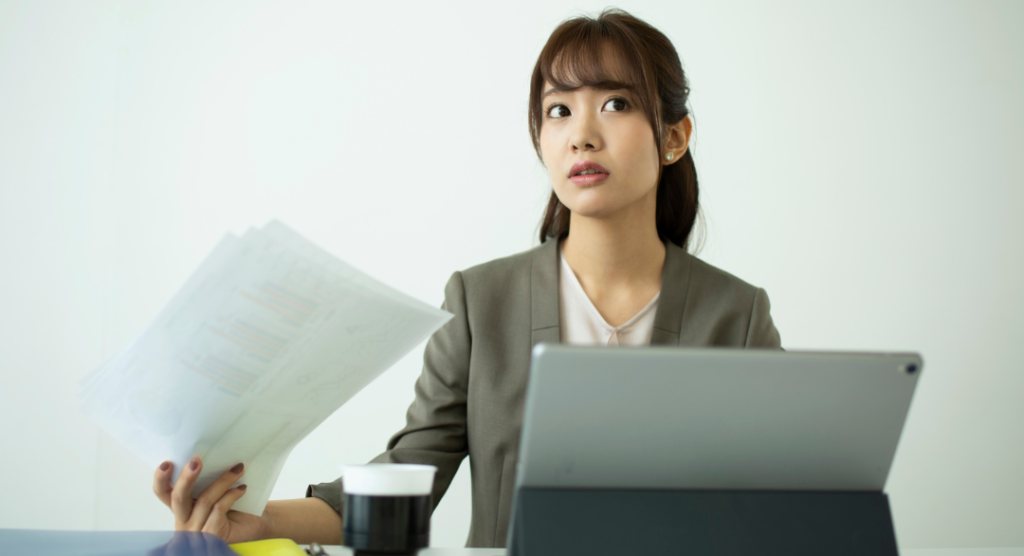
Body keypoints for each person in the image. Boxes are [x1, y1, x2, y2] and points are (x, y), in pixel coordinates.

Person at [151, 7, 781, 548]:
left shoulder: (738, 315)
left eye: (615, 103)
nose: (582, 135)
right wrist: (254, 523)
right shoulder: (482, 302)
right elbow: (407, 481)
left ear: (674, 137)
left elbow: (779, 505)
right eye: (558, 111)